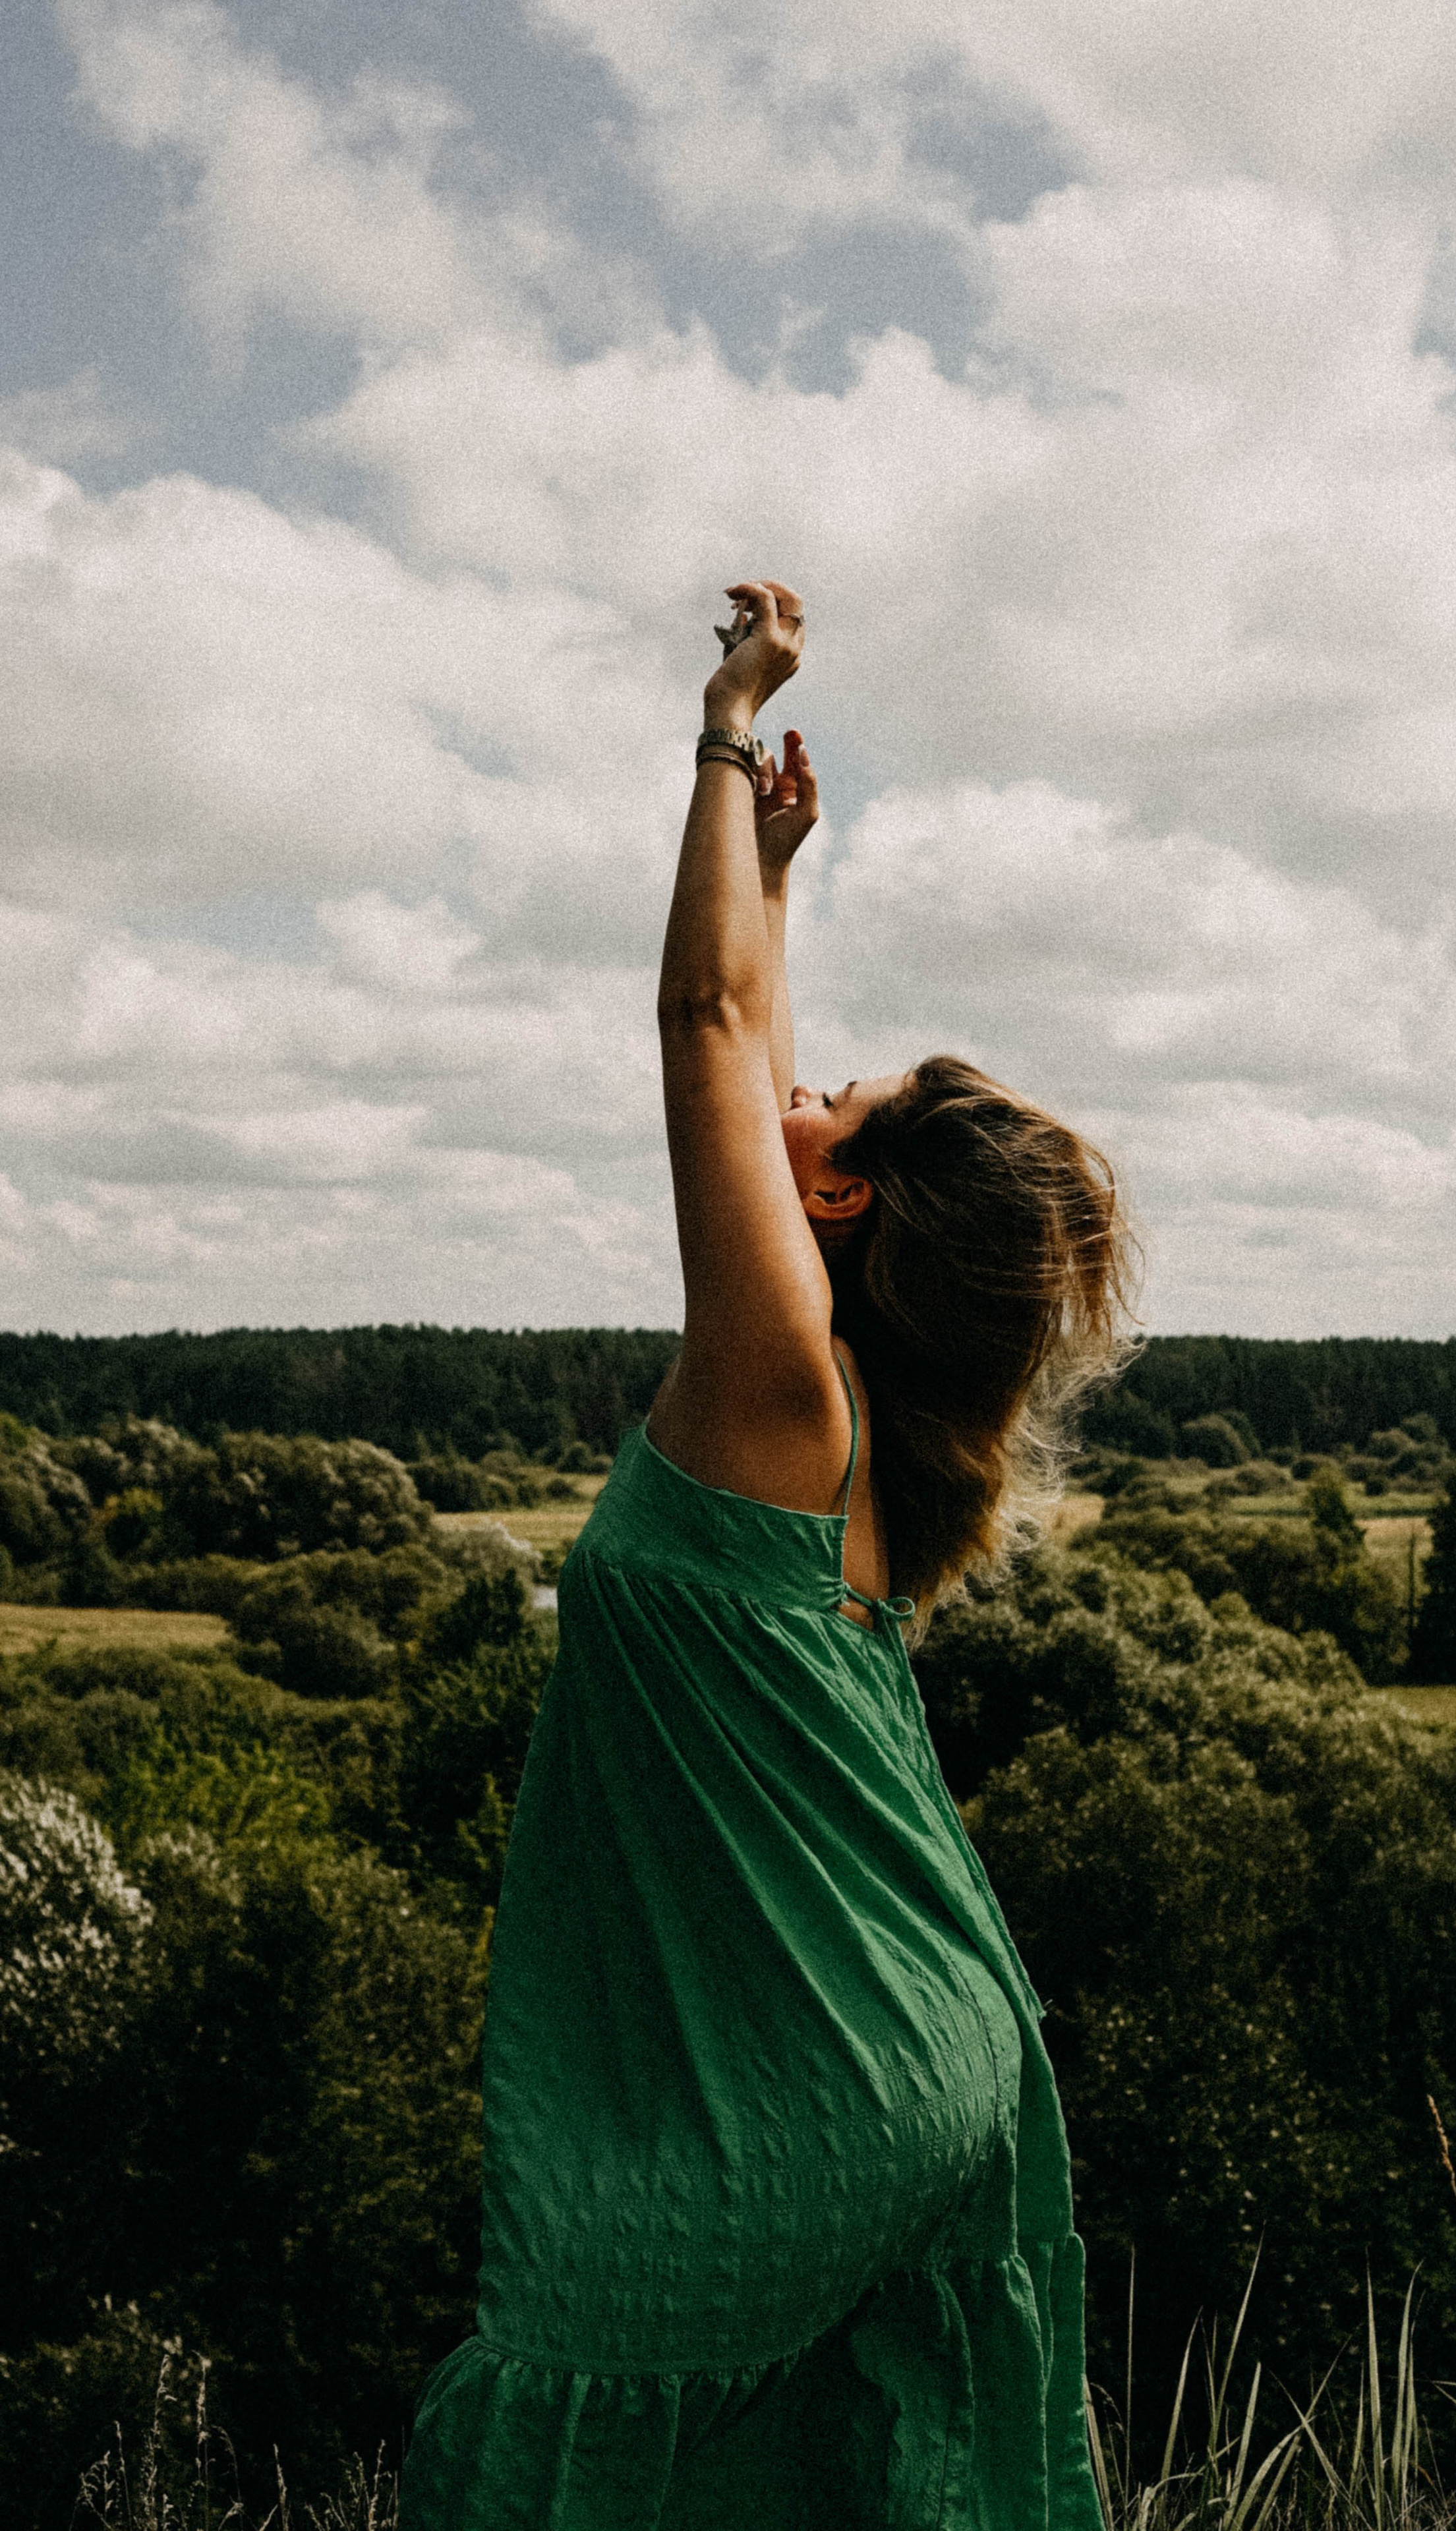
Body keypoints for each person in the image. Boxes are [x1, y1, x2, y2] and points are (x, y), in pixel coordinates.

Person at [401, 581, 1134, 2528]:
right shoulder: (865, 1442)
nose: (808, 1090)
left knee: (560, 2437)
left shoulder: (786, 1394)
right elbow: (767, 1080)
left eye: (846, 1102)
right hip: (929, 2049)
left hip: (799, 2098)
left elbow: (707, 1033)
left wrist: (728, 728)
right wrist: (777, 883)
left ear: (849, 1195)